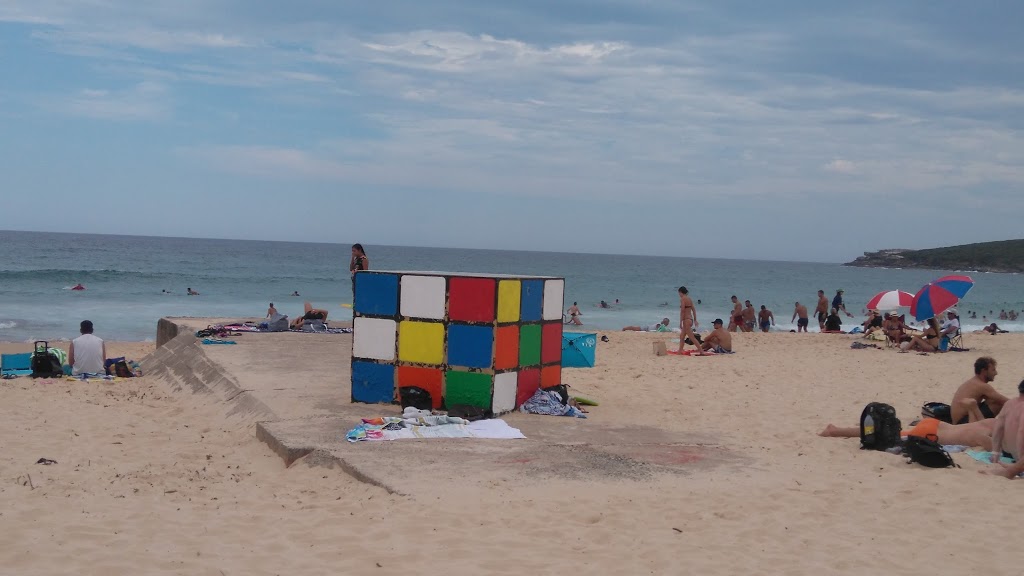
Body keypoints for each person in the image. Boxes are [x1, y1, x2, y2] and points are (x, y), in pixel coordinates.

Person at [818, 418, 994, 451]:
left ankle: (836, 429)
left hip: (935, 424)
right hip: (930, 433)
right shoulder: (985, 436)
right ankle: (834, 431)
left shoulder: (991, 421)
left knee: (890, 431)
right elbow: (995, 450)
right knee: (882, 434)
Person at [950, 357, 1008, 424]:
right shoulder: (981, 386)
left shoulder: (973, 381)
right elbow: (1006, 401)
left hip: (958, 420)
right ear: (984, 371)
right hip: (963, 423)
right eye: (993, 370)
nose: (996, 373)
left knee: (992, 400)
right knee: (997, 403)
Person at [987, 379, 1024, 478]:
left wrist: (995, 452)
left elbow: (998, 428)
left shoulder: (1009, 404)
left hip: (1008, 453)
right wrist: (1020, 461)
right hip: (1020, 456)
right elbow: (1022, 432)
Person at [677, 286, 701, 354]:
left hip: (686, 320)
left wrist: (680, 322)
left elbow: (682, 311)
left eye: (679, 293)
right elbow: (693, 309)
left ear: (681, 292)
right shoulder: (689, 299)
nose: (679, 295)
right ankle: (680, 350)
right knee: (682, 336)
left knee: (692, 337)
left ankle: (701, 350)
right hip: (690, 319)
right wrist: (695, 319)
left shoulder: (683, 299)